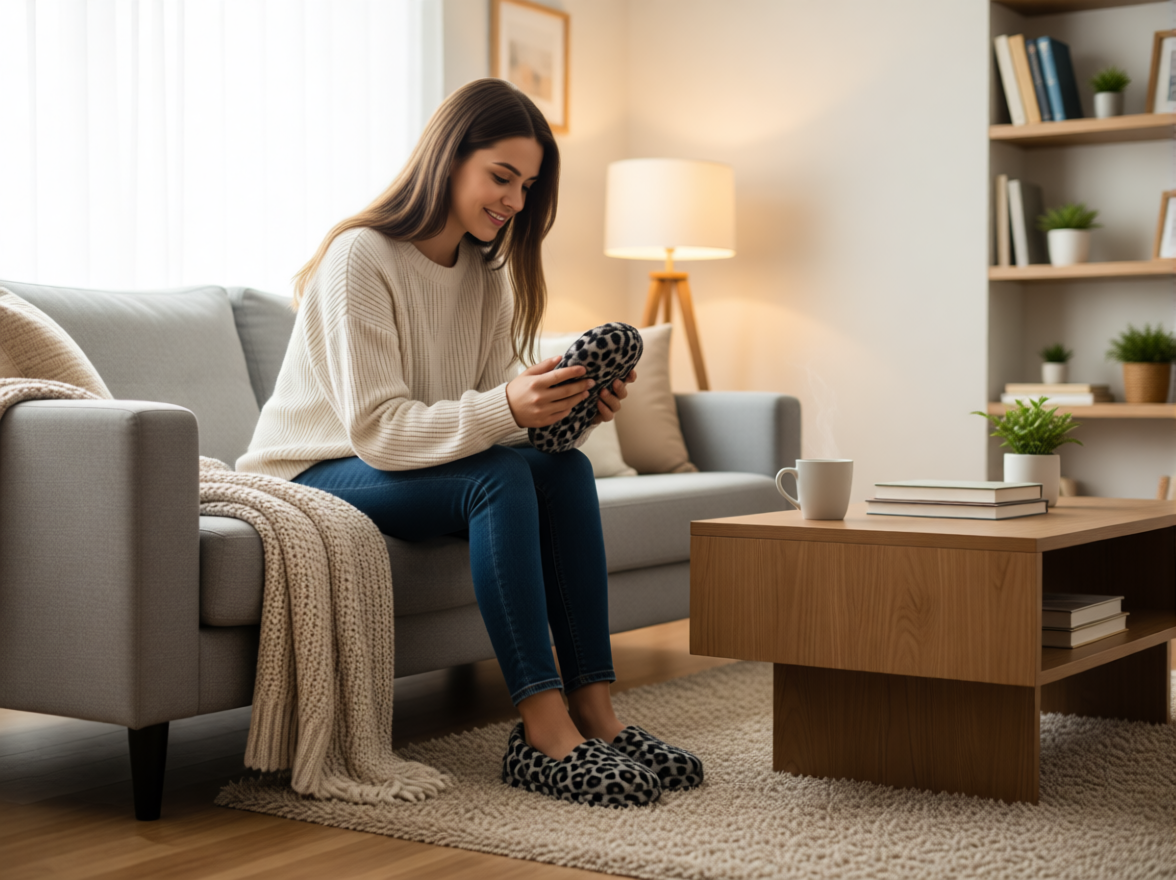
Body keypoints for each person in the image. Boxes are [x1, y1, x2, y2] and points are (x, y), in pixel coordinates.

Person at [237, 78, 702, 808]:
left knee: (565, 471)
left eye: (527, 185)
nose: (514, 200)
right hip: (316, 469)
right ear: (448, 160)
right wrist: (507, 405)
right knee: (501, 480)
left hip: (408, 462)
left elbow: (493, 415)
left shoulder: (488, 276)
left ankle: (598, 715)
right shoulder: (361, 258)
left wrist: (568, 409)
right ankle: (543, 732)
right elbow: (382, 430)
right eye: (501, 177)